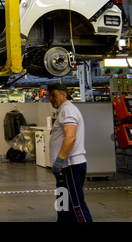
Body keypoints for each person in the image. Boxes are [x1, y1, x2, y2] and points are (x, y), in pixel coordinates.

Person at [48, 83, 92, 222]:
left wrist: (60, 159)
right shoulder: (63, 110)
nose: (50, 98)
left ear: (64, 94)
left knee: (75, 203)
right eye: (49, 95)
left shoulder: (68, 110)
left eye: (53, 95)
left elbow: (71, 137)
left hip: (70, 165)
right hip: (63, 167)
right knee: (62, 201)